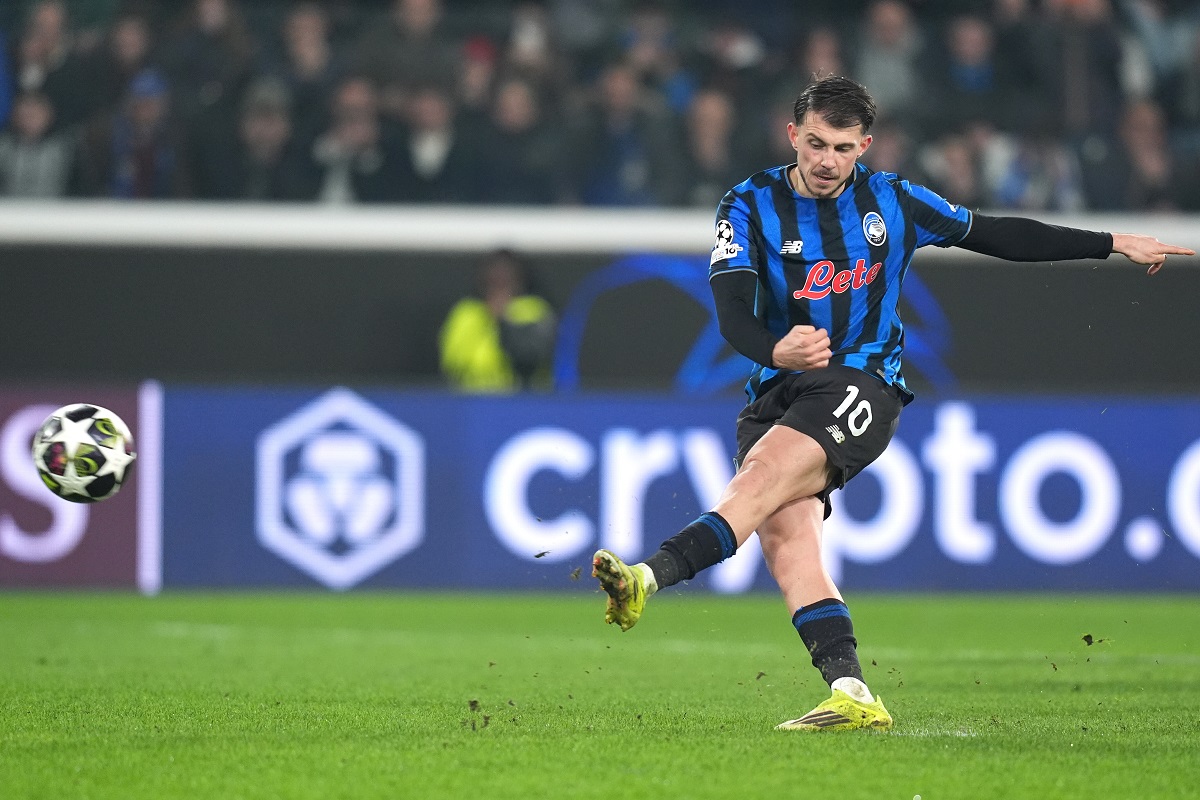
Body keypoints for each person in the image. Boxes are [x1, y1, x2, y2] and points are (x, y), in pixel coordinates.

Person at [591, 75, 1194, 732]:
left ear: (864, 146)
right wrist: (776, 348)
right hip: (779, 387)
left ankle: (646, 578)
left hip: (862, 384)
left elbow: (996, 234)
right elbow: (732, 317)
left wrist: (1110, 242)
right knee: (788, 539)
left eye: (842, 148)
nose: (826, 161)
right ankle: (852, 694)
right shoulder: (746, 204)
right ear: (793, 134)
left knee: (758, 480)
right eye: (815, 143)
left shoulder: (892, 201)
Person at [439, 249, 556, 392]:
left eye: (506, 280)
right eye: (495, 280)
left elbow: (532, 354)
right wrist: (488, 319)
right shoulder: (466, 313)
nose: (500, 286)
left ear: (519, 280)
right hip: (472, 399)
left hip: (523, 401)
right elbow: (452, 361)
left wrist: (504, 319)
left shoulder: (534, 309)